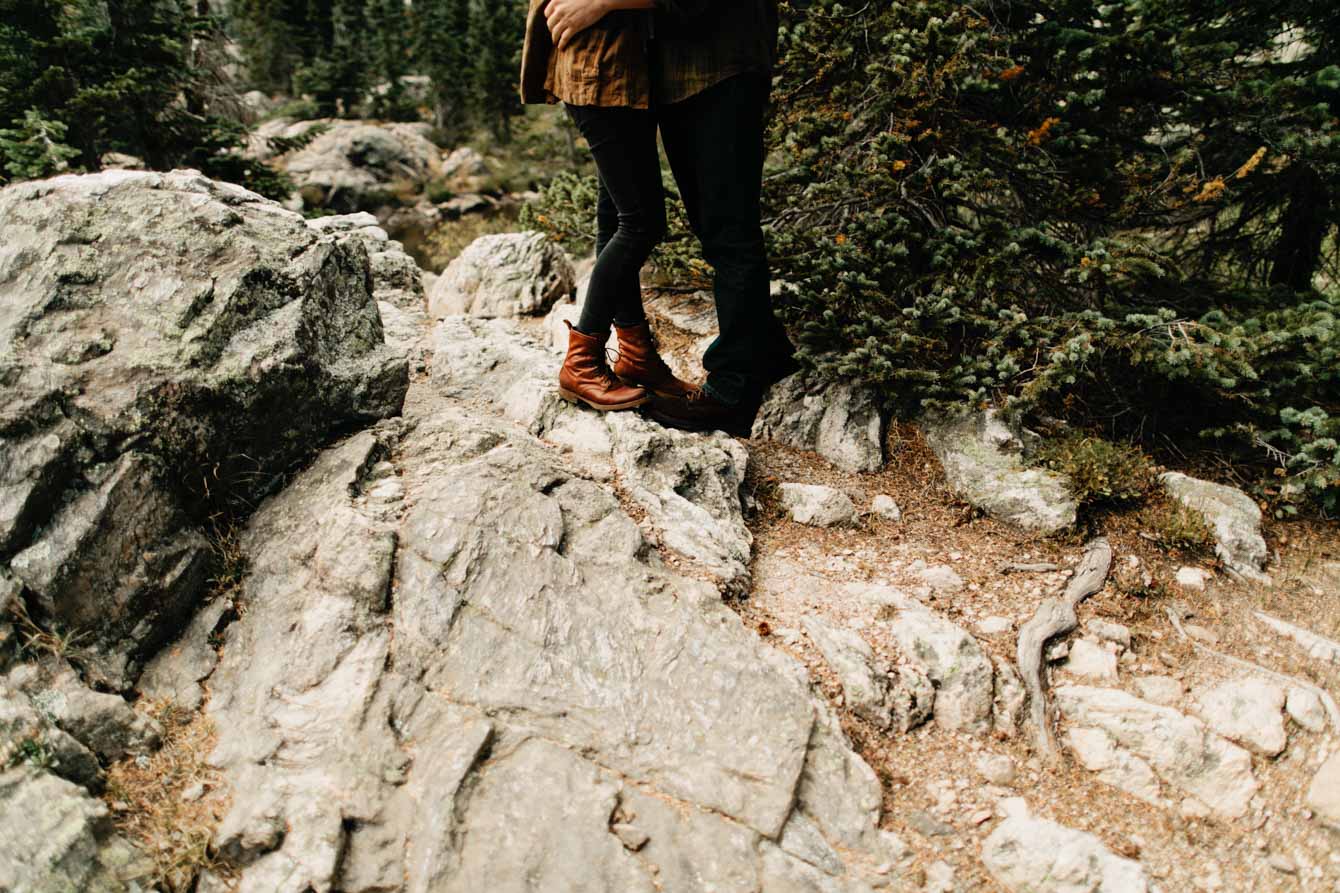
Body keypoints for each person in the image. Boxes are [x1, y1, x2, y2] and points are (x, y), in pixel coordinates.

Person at [520, 0, 797, 436]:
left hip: (720, 66)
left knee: (722, 228)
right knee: (633, 214)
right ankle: (643, 353)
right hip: (664, 71)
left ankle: (734, 389)